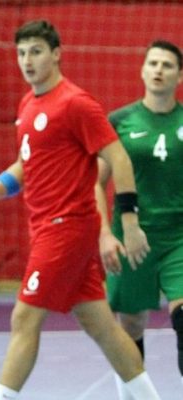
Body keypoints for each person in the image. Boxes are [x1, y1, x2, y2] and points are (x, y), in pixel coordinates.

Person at [0, 20, 161, 400]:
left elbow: (118, 157)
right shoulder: (28, 104)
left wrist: (129, 220)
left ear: (56, 54)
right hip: (46, 228)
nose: (27, 61)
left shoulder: (75, 103)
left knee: (24, 317)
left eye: (36, 52)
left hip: (67, 227)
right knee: (100, 324)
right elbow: (27, 164)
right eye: (21, 53)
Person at [95, 40, 183, 398]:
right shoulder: (120, 121)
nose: (159, 70)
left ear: (179, 75)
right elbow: (95, 183)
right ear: (143, 71)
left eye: (167, 65)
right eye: (153, 63)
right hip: (131, 236)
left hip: (179, 236)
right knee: (130, 327)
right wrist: (104, 233)